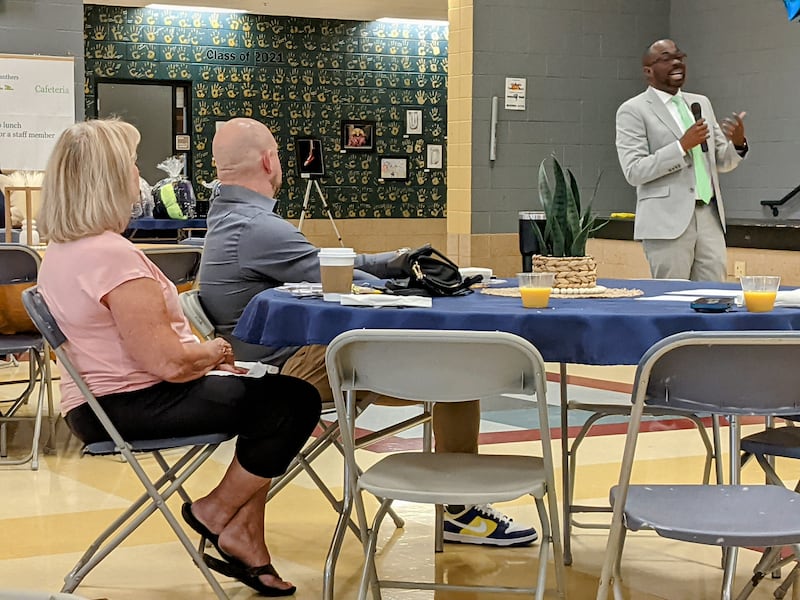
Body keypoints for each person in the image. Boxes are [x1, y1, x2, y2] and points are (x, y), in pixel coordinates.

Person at [199, 117, 538, 547]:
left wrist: (397, 260)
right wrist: (407, 277)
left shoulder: (229, 219)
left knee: (452, 372)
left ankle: (459, 505)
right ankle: (461, 509)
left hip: (266, 363)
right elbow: (345, 278)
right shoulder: (257, 227)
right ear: (270, 161)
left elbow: (332, 264)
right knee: (459, 370)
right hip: (290, 374)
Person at [37, 118, 322, 597]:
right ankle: (215, 511)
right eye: (131, 164)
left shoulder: (65, 250)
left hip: (98, 404)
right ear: (109, 179)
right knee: (294, 401)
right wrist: (215, 351)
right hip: (131, 402)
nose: (138, 175)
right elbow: (167, 363)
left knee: (267, 398)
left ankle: (245, 535)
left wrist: (208, 361)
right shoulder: (111, 256)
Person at [615, 39, 749, 281]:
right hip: (667, 222)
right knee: (672, 295)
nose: (676, 63)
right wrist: (681, 146)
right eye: (667, 58)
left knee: (714, 294)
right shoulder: (633, 110)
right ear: (648, 71)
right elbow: (634, 171)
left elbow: (721, 162)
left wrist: (738, 144)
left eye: (679, 57)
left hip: (709, 216)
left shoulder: (701, 103)